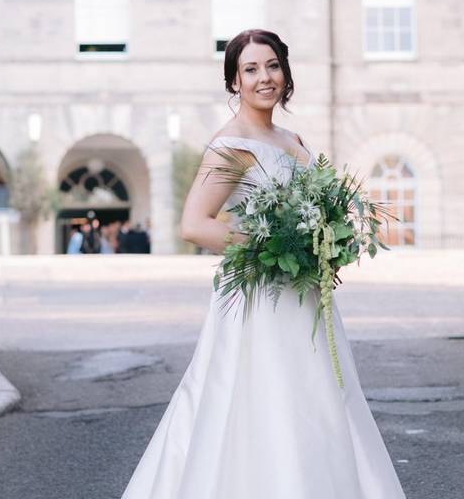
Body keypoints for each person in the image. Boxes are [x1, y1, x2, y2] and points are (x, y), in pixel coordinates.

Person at [119, 29, 406, 497]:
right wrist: (271, 245)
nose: (264, 77)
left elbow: (315, 205)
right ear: (234, 81)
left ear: (285, 73)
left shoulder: (291, 138)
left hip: (306, 295)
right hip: (261, 298)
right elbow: (195, 223)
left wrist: (324, 242)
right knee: (261, 406)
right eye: (250, 69)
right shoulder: (230, 144)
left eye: (272, 66)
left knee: (318, 403)